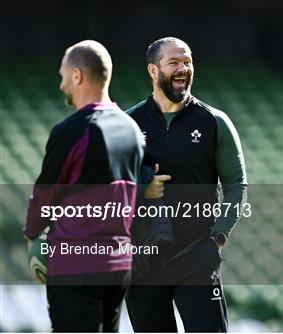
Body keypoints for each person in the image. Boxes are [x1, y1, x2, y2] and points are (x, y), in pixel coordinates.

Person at [125, 37, 248, 332]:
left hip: (195, 256)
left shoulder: (214, 121)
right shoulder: (126, 124)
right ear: (153, 70)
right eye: (174, 63)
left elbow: (236, 185)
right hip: (143, 262)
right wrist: (143, 189)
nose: (183, 69)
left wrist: (217, 239)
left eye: (188, 62)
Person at [24, 40, 145, 332]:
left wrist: (32, 237)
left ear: (77, 76)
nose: (61, 84)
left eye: (63, 76)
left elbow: (44, 196)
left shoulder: (72, 130)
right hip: (119, 266)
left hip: (76, 267)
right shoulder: (133, 130)